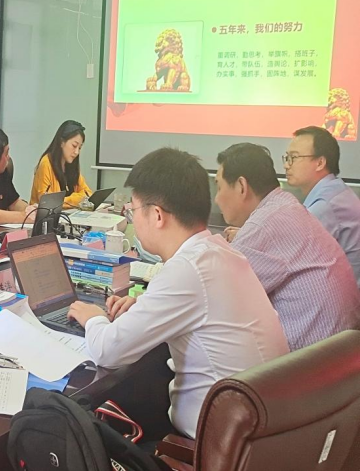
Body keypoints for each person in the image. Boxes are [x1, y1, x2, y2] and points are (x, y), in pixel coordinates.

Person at [67, 147, 288, 440]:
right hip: (261, 432)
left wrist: (93, 317)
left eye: (133, 211)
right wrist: (145, 306)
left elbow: (107, 351)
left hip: (211, 447)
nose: (133, 219)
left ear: (157, 215)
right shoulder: (219, 252)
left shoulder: (187, 269)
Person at [214, 143, 360, 350]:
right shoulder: (285, 205)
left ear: (241, 186)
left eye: (219, 187)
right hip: (338, 352)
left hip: (306, 361)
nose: (216, 199)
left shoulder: (263, 224)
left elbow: (216, 299)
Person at [284, 125, 360, 287]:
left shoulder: (326, 204)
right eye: (287, 157)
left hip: (344, 295)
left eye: (294, 157)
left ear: (320, 163)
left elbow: (290, 255)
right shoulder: (334, 190)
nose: (286, 165)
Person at [31, 120, 93, 209]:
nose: (76, 152)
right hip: (45, 216)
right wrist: (76, 199)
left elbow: (88, 194)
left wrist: (66, 200)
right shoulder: (46, 163)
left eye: (79, 148)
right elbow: (47, 202)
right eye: (74, 146)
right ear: (61, 142)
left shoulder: (71, 165)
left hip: (67, 215)